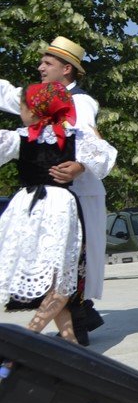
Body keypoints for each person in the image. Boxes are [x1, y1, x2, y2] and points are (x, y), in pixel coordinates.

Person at [0, 36, 113, 343]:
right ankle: (73, 336)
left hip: (72, 197)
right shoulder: (38, 107)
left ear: (66, 69)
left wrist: (79, 164)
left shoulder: (80, 103)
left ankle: (66, 330)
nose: (40, 67)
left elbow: (93, 143)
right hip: (42, 199)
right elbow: (13, 98)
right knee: (60, 268)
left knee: (69, 266)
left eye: (47, 63)